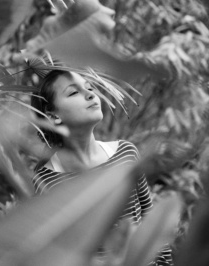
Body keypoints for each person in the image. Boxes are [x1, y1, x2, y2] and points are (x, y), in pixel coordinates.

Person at [30, 69, 173, 265]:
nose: (90, 94)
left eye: (89, 88)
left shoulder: (126, 154)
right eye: (73, 92)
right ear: (52, 115)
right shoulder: (46, 180)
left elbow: (150, 226)